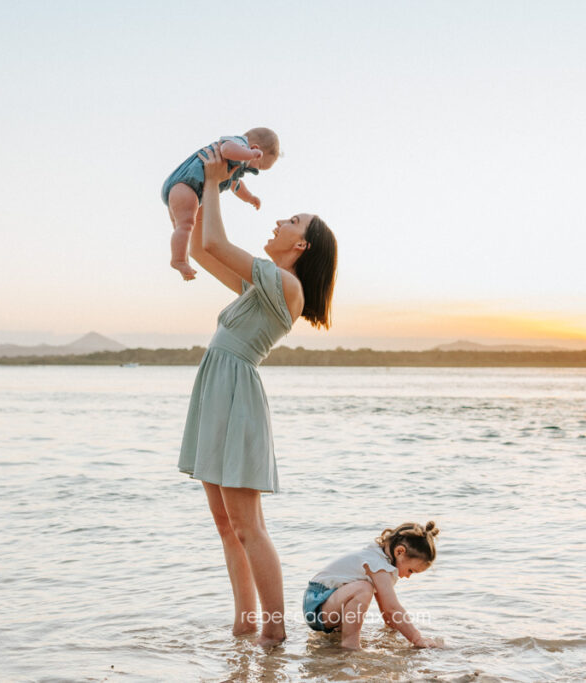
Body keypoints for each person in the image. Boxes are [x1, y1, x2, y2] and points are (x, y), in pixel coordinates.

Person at [178, 143, 337, 648]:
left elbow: (219, 242)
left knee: (248, 526)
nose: (279, 223)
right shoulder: (261, 286)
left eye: (291, 221)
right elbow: (204, 250)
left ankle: (274, 631)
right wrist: (204, 198)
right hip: (217, 390)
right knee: (227, 524)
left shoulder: (285, 285)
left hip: (237, 394)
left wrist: (213, 178)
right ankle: (244, 624)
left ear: (303, 244)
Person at [162, 127, 280, 280]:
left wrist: (250, 197)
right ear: (255, 148)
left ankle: (182, 258)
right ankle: (178, 260)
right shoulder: (237, 144)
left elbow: (236, 186)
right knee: (185, 225)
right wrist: (249, 154)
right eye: (258, 167)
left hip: (187, 191)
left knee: (183, 229)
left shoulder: (235, 165)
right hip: (185, 184)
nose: (254, 171)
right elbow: (226, 149)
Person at [303, 521, 443, 650]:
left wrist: (391, 632)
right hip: (317, 605)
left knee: (364, 588)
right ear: (399, 552)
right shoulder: (377, 564)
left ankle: (338, 634)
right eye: (411, 570)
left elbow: (387, 610)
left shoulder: (380, 561)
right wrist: (416, 638)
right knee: (364, 588)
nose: (408, 576)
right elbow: (392, 608)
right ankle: (350, 644)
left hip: (326, 604)